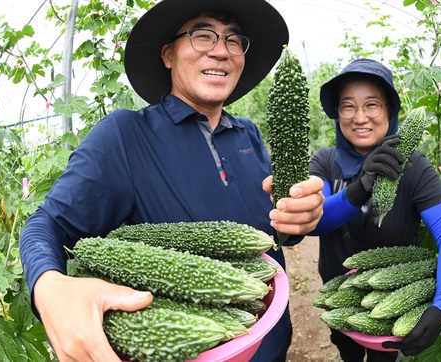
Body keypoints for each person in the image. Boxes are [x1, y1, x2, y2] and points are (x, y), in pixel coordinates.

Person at [18, 1, 324, 361]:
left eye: (234, 39)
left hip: (270, 340)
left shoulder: (249, 134)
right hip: (194, 348)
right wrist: (50, 287)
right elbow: (47, 224)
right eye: (203, 34)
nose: (221, 51)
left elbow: (271, 230)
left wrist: (297, 222)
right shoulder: (123, 135)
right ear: (168, 54)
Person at [308, 58, 441, 361]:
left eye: (372, 105)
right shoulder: (325, 161)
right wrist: (358, 190)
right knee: (349, 353)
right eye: (347, 106)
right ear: (337, 114)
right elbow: (314, 221)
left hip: (392, 301)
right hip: (340, 296)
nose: (359, 117)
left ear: (389, 111)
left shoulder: (415, 167)